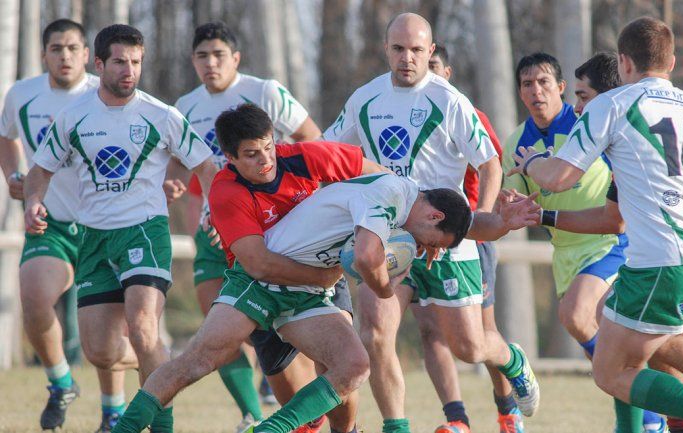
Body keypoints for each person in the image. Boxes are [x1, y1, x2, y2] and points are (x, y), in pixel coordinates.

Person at [110, 103, 539, 433]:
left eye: (267, 148)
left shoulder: (329, 163)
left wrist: (501, 223)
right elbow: (266, 262)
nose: (265, 161)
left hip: (311, 290)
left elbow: (447, 221)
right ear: (230, 157)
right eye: (252, 155)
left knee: (353, 366)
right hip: (259, 283)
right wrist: (378, 288)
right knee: (199, 361)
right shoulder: (226, 190)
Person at [513, 16, 683, 433]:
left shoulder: (612, 106)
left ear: (624, 62)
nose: (579, 104)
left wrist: (532, 162)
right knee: (632, 342)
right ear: (671, 62)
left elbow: (559, 176)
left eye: (580, 95)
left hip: (664, 261)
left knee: (612, 370)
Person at [324, 13, 540, 433]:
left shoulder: (449, 101)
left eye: (417, 50)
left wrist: (475, 224)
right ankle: (397, 426)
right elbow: (331, 154)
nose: (407, 58)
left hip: (449, 242)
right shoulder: (364, 99)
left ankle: (512, 359)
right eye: (399, 49)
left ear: (431, 51)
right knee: (376, 334)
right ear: (385, 49)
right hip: (391, 240)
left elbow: (490, 165)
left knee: (470, 347)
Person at [23, 24, 218, 433]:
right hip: (93, 238)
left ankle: (160, 426)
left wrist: (213, 211)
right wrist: (35, 201)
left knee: (143, 328)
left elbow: (206, 165)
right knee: (102, 352)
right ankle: (164, 362)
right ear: (99, 64)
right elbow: (40, 171)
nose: (128, 70)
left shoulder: (162, 115)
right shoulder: (73, 117)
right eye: (119, 62)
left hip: (143, 232)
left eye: (135, 62)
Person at [174, 21, 324, 433]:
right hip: (214, 229)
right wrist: (188, 211)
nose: (211, 63)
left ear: (236, 58)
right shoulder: (185, 106)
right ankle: (251, 413)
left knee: (297, 334)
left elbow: (312, 140)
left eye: (219, 54)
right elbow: (186, 171)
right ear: (193, 60)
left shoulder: (265, 92)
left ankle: (307, 415)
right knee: (215, 329)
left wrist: (304, 207)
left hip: (275, 229)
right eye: (202, 55)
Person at [0, 19, 128, 432]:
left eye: (73, 48)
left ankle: (113, 412)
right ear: (44, 55)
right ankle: (60, 382)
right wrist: (13, 175)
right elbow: (6, 136)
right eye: (57, 48)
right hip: (50, 223)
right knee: (34, 296)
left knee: (106, 326)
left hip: (102, 225)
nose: (65, 56)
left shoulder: (103, 93)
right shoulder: (22, 94)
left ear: (87, 56)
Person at [418, 43, 524, 433]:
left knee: (480, 337)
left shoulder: (466, 113)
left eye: (433, 65)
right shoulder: (398, 111)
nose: (424, 73)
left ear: (447, 73)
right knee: (430, 330)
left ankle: (506, 407)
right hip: (419, 238)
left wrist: (488, 212)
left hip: (469, 240)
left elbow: (494, 168)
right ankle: (457, 420)